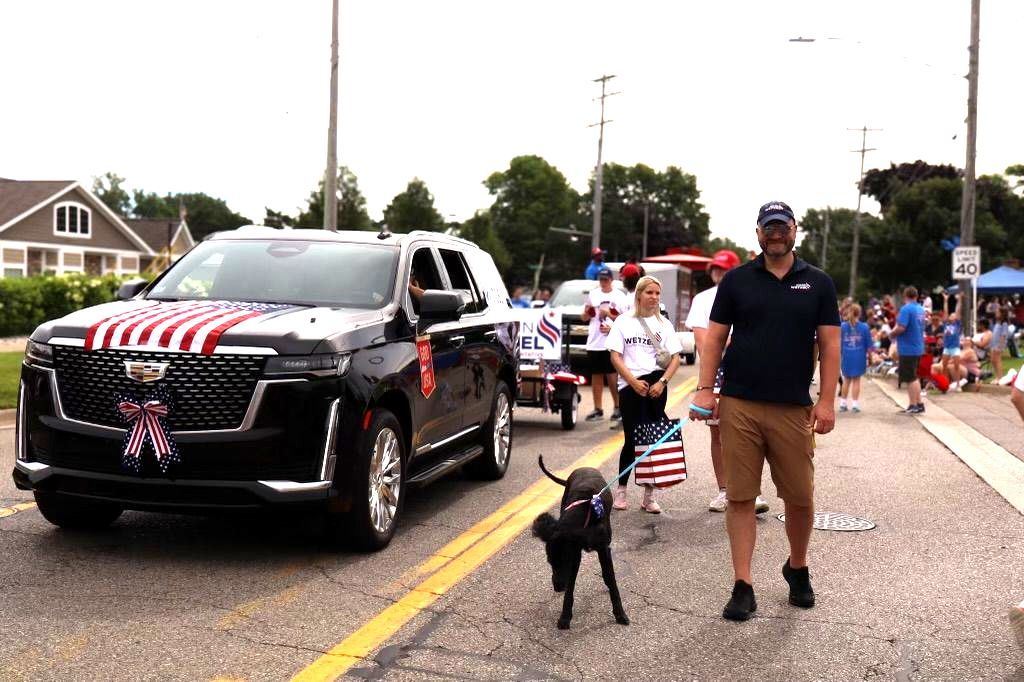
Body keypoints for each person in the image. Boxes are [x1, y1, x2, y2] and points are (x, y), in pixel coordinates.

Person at [690, 200, 840, 622]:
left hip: (793, 407)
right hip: (739, 404)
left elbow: (829, 346)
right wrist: (705, 390)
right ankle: (743, 584)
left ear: (795, 230)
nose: (775, 234)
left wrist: (826, 400)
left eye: (782, 227)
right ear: (758, 233)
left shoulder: (819, 283)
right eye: (768, 227)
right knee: (740, 497)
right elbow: (715, 339)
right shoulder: (737, 282)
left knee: (800, 497)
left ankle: (797, 567)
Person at [685, 249, 769, 514]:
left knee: (749, 434)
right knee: (718, 433)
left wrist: (730, 341)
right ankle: (724, 490)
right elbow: (704, 341)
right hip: (718, 372)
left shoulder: (752, 292)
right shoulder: (703, 299)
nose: (719, 274)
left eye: (724, 269)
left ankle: (749, 492)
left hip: (749, 371)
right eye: (716, 269)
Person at [606, 275, 682, 514]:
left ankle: (649, 495)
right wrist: (631, 381)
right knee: (632, 438)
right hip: (631, 385)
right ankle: (621, 489)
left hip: (656, 385)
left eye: (658, 294)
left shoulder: (664, 325)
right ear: (639, 294)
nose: (654, 297)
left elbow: (676, 358)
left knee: (653, 440)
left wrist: (662, 382)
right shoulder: (623, 322)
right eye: (650, 293)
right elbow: (615, 356)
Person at [581, 267, 627, 421]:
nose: (603, 282)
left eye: (606, 280)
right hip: (594, 340)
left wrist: (608, 314)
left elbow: (624, 319)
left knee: (612, 375)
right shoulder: (593, 294)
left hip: (611, 341)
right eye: (601, 279)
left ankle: (618, 406)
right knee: (596, 375)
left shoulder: (619, 296)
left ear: (611, 280)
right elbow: (584, 317)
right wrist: (588, 313)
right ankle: (598, 408)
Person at [890, 286, 927, 414]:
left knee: (911, 378)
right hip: (918, 345)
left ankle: (913, 405)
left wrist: (892, 334)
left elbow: (901, 327)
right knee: (914, 375)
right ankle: (919, 403)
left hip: (907, 347)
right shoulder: (920, 309)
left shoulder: (906, 309)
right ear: (916, 296)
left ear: (905, 296)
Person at [839, 303, 871, 413]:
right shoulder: (865, 327)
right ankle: (855, 404)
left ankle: (843, 403)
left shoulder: (843, 326)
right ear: (860, 313)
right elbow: (868, 346)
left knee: (846, 380)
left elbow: (839, 343)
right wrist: (870, 358)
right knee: (856, 380)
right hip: (859, 356)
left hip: (846, 355)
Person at [940, 293, 962, 383]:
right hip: (947, 347)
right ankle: (945, 382)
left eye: (954, 315)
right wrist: (945, 300)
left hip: (955, 347)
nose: (953, 316)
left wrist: (959, 300)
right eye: (951, 315)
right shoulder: (946, 323)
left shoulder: (957, 323)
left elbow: (958, 310)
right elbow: (945, 311)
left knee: (957, 366)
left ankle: (958, 383)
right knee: (944, 366)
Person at [990, 308, 1010, 383]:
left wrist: (1000, 346)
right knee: (993, 360)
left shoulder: (1004, 323)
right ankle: (997, 377)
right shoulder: (997, 322)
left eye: (997, 312)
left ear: (1002, 314)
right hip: (993, 344)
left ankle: (1000, 377)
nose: (996, 313)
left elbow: (1003, 335)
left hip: (998, 345)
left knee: (997, 360)